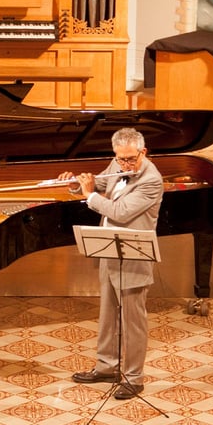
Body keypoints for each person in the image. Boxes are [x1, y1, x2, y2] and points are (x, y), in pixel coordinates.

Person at [58, 128, 164, 400]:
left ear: (144, 151)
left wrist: (89, 195)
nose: (126, 165)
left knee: (133, 322)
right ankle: (107, 367)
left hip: (133, 257)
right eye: (121, 159)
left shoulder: (151, 180)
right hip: (110, 250)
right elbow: (104, 184)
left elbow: (120, 212)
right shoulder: (118, 165)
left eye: (131, 159)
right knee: (108, 314)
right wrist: (74, 184)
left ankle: (134, 377)